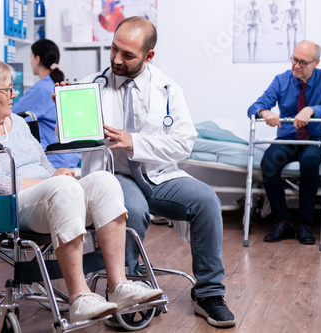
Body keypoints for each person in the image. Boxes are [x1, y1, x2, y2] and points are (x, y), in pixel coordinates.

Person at [0, 55, 163, 324]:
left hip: (49, 197)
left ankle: (117, 285)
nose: (14, 93)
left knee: (104, 181)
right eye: (8, 88)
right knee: (63, 187)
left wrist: (55, 176)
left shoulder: (19, 123)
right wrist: (52, 182)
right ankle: (79, 297)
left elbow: (42, 163)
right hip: (6, 208)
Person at [77, 16, 235, 328]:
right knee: (129, 209)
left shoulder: (168, 89)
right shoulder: (88, 86)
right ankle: (124, 289)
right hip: (115, 176)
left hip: (158, 174)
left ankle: (209, 294)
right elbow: (72, 138)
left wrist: (134, 141)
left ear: (149, 56)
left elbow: (183, 144)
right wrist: (67, 108)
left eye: (128, 55)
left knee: (206, 201)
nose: (116, 60)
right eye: (114, 50)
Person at [248, 40, 321, 245]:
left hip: (314, 139)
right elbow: (255, 106)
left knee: (309, 164)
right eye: (294, 59)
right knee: (269, 164)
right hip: (288, 138)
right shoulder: (281, 80)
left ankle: (304, 224)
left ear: (316, 63)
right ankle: (283, 222)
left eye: (302, 62)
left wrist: (312, 110)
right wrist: (265, 112)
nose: (296, 66)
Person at [12, 38, 80, 169]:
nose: (31, 61)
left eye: (31, 57)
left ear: (37, 59)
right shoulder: (58, 84)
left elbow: (10, 115)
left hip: (53, 161)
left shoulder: (42, 89)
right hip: (70, 159)